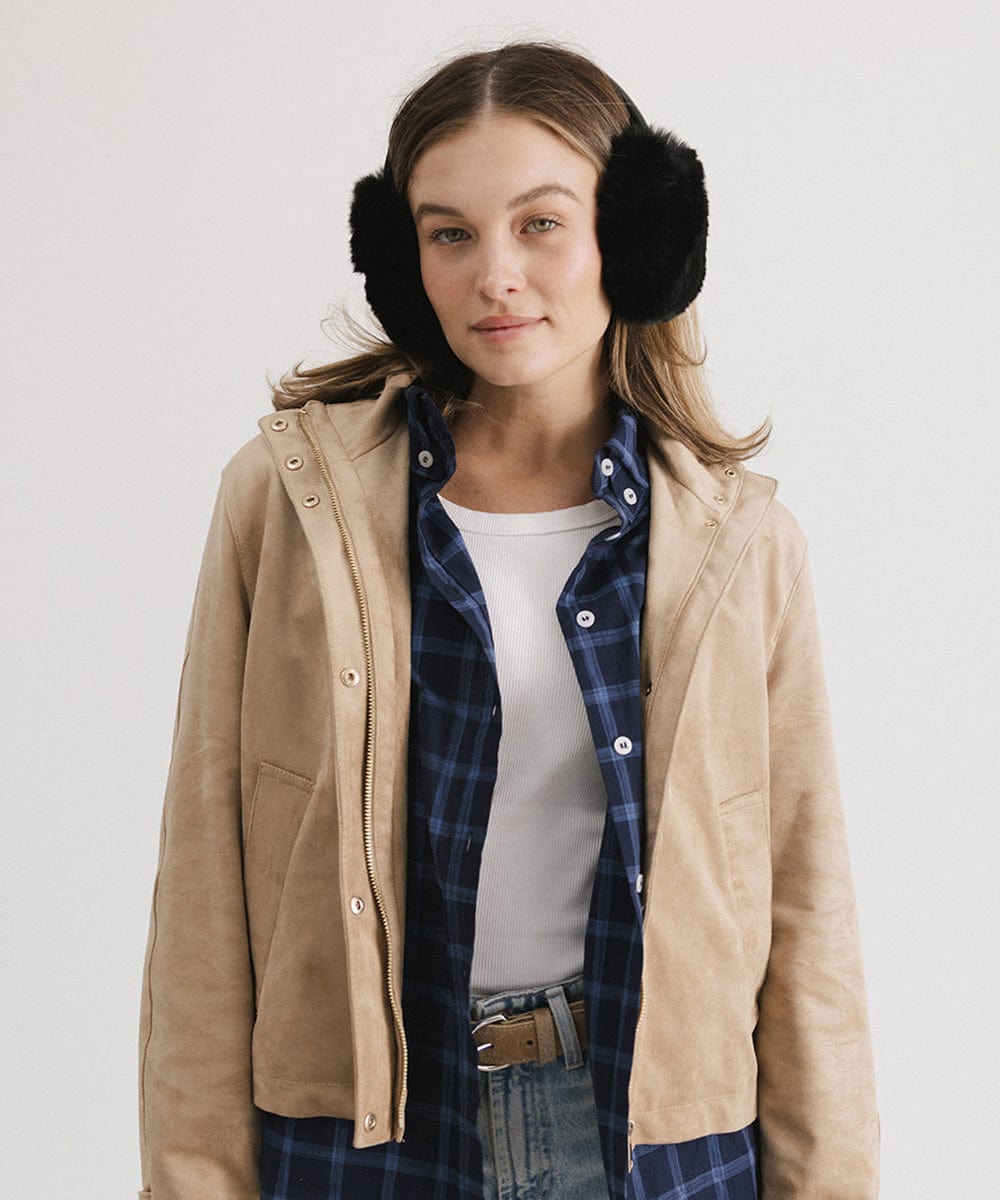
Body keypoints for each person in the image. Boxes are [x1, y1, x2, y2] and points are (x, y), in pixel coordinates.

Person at [136, 41, 880, 1200]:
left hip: (647, 1123)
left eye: (540, 223)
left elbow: (806, 910)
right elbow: (202, 885)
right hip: (365, 1122)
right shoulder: (286, 504)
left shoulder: (738, 544)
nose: (495, 274)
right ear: (401, 261)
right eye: (449, 233)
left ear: (630, 237)